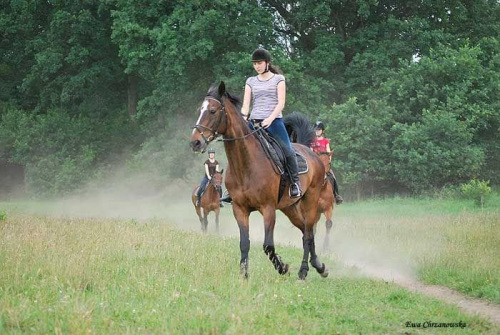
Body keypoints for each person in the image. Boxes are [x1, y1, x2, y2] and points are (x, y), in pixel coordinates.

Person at [310, 121, 343, 204]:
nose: (317, 131)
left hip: (324, 164)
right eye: (316, 130)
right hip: (315, 164)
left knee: (332, 177)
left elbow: (328, 152)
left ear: (322, 131)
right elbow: (310, 152)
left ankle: (336, 195)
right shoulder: (312, 141)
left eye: (319, 130)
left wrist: (328, 161)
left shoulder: (326, 141)